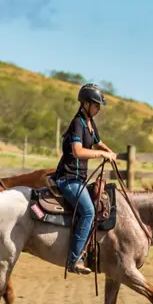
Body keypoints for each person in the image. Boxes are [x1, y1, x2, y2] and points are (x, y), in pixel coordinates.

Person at [54, 83, 117, 275]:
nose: (98, 109)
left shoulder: (89, 123)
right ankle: (74, 259)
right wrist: (101, 156)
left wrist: (108, 151)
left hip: (79, 179)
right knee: (89, 212)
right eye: (96, 105)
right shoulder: (77, 123)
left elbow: (97, 142)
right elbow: (77, 151)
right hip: (68, 179)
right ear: (86, 104)